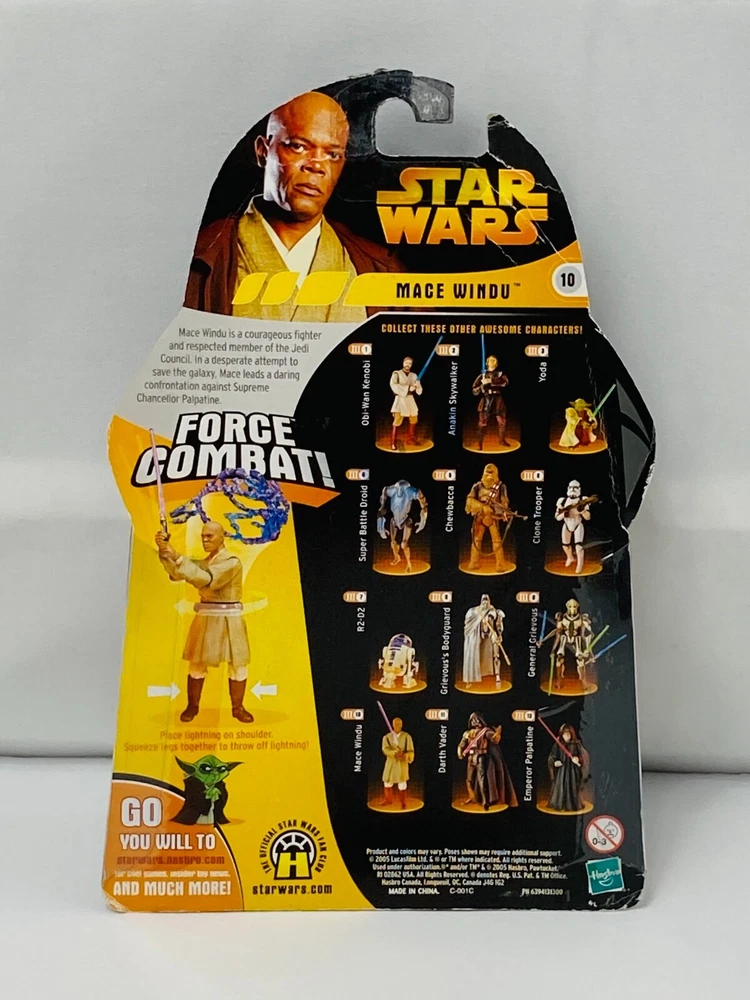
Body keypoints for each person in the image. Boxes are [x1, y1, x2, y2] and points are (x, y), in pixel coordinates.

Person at [184, 91, 399, 320]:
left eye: (333, 155)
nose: (317, 166)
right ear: (263, 151)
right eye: (298, 146)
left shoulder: (378, 269)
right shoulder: (202, 257)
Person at [155, 521, 254, 724]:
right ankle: (193, 706)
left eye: (210, 536)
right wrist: (165, 551)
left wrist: (176, 556)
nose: (205, 540)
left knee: (238, 665)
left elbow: (205, 578)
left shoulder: (232, 562)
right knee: (197, 663)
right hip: (206, 615)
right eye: (203, 537)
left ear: (222, 537)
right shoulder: (206, 562)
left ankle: (238, 708)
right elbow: (178, 573)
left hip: (231, 618)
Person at [464, 463, 523, 572]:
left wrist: (504, 511)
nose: (489, 475)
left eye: (492, 473)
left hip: (493, 517)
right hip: (480, 516)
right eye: (487, 472)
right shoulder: (477, 486)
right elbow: (469, 500)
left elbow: (504, 501)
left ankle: (500, 564)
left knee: (497, 541)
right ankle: (474, 562)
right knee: (476, 540)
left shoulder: (501, 487)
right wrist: (482, 507)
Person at [457, 713, 518, 811]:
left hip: (481, 757)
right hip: (471, 757)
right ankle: (472, 797)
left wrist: (497, 733)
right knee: (469, 780)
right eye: (472, 719)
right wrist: (460, 752)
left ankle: (485, 801)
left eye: (477, 719)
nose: (475, 721)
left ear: (481, 720)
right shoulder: (467, 733)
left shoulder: (485, 731)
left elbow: (494, 740)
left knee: (482, 780)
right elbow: (461, 745)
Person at [537, 598, 595, 690]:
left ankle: (583, 681)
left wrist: (590, 654)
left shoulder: (581, 619)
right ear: (567, 607)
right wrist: (544, 640)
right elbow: (557, 632)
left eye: (574, 606)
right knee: (559, 658)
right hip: (565, 638)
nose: (572, 609)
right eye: (570, 606)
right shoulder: (562, 618)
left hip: (576, 639)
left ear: (577, 607)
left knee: (580, 659)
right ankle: (559, 681)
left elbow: (584, 636)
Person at [377, 480, 428, 573]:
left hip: (406, 520)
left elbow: (423, 502)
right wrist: (380, 527)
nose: (400, 491)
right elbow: (381, 508)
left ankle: (409, 563)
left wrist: (423, 521)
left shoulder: (409, 491)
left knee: (404, 544)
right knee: (393, 543)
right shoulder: (392, 490)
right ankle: (397, 557)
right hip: (394, 520)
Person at [462, 595, 507, 686]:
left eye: (487, 600)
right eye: (484, 600)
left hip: (491, 633)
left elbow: (498, 623)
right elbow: (468, 625)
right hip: (479, 632)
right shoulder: (474, 611)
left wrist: (499, 635)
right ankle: (471, 678)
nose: (485, 602)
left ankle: (497, 675)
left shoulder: (494, 611)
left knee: (496, 653)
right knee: (473, 650)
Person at [554, 480, 597, 574]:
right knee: (565, 546)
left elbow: (588, 517)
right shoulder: (562, 501)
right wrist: (564, 514)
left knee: (579, 547)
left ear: (579, 489)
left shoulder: (583, 500)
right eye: (571, 487)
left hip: (578, 524)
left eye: (575, 487)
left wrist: (582, 511)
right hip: (567, 524)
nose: (573, 489)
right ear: (568, 488)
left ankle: (580, 565)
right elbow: (557, 517)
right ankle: (570, 557)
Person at [547, 724, 590, 812]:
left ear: (571, 734)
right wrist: (554, 762)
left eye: (568, 733)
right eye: (564, 733)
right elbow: (552, 756)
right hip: (561, 772)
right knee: (560, 787)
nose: (566, 735)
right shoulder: (558, 744)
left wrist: (578, 759)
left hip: (572, 772)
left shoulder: (577, 745)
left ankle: (572, 805)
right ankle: (559, 804)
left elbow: (585, 756)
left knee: (572, 786)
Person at [471, 355, 509, 449]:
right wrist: (481, 387)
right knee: (482, 422)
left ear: (496, 363)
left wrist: (490, 381)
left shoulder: (500, 374)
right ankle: (480, 443)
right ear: (487, 362)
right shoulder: (482, 375)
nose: (492, 362)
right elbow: (474, 390)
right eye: (490, 360)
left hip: (497, 400)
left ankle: (502, 440)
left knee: (502, 421)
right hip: (486, 400)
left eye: (493, 360)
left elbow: (505, 383)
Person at [389, 356, 422, 450]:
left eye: (410, 363)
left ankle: (410, 438)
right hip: (400, 399)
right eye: (406, 363)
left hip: (410, 400)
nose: (408, 365)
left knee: (414, 419)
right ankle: (393, 442)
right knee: (397, 421)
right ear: (403, 363)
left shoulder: (414, 375)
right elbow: (393, 385)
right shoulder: (396, 373)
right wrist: (408, 388)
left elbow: (419, 391)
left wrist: (417, 386)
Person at [381, 717, 415, 808]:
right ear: (392, 725)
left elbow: (411, 751)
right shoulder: (387, 737)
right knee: (387, 782)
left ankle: (403, 802)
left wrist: (404, 755)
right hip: (391, 764)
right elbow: (385, 749)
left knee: (402, 783)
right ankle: (388, 800)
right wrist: (394, 753)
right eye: (395, 724)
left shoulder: (407, 737)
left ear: (402, 725)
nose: (397, 725)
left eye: (399, 724)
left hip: (401, 764)